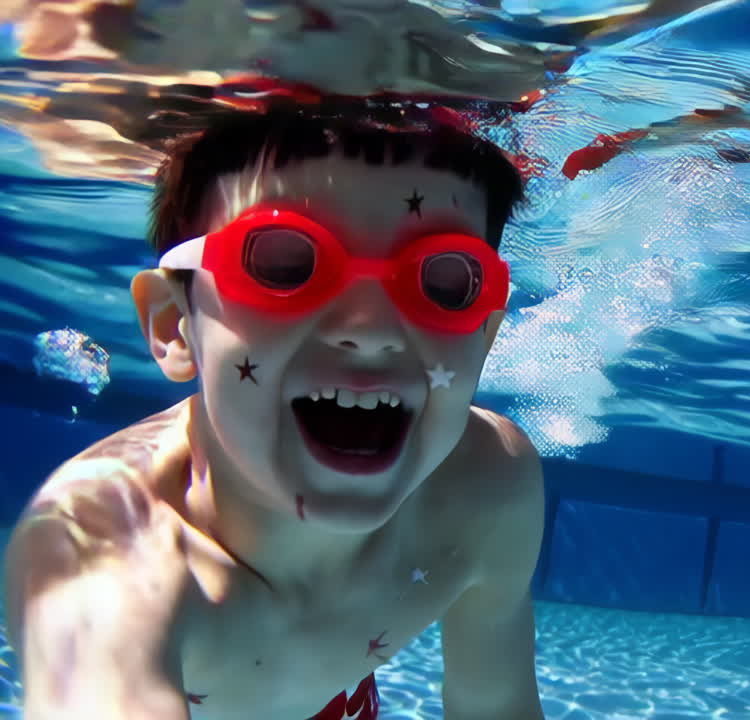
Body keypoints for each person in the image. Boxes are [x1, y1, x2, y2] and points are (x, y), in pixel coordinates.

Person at [3, 104, 547, 720]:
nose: (370, 332)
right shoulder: (96, 554)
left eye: (445, 283)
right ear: (173, 327)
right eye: (283, 265)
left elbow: (495, 705)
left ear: (484, 337)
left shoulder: (489, 487)